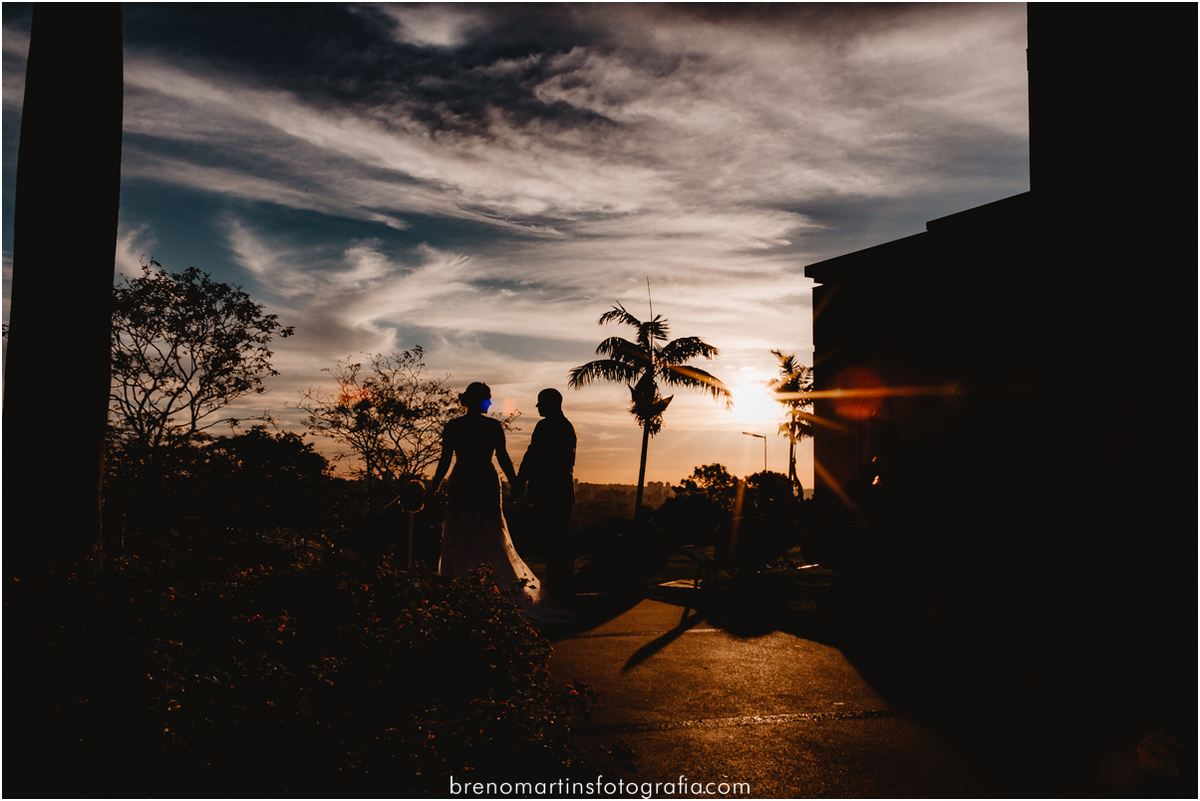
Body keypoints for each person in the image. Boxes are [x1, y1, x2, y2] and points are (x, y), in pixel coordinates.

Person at [426, 382, 552, 617]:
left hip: (463, 479)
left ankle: (462, 585)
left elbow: (444, 461)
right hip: (484, 479)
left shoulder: (454, 426)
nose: (491, 403)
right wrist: (515, 484)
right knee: (487, 532)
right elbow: (503, 457)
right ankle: (490, 583)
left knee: (464, 531)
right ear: (479, 401)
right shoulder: (492, 427)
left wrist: (434, 488)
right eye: (488, 399)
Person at [516, 388, 577, 604]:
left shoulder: (546, 426)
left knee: (552, 540)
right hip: (560, 491)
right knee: (560, 540)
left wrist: (520, 480)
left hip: (548, 491)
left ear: (551, 403)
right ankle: (562, 586)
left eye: (540, 402)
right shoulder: (566, 426)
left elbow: (533, 455)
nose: (537, 406)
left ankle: (557, 588)